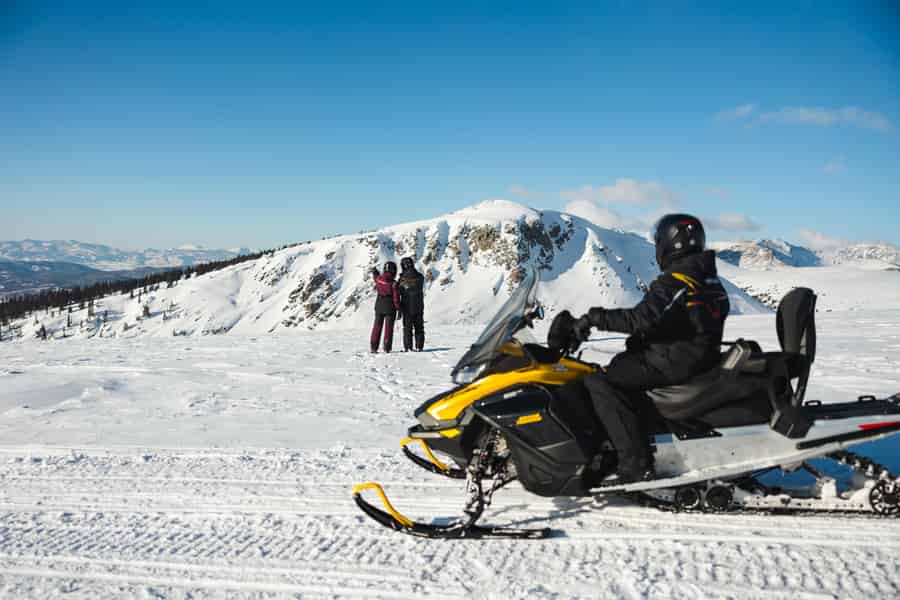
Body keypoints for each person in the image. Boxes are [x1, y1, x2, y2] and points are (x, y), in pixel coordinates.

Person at [570, 214, 730, 484]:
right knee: (618, 369)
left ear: (670, 244)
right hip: (692, 356)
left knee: (600, 382)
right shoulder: (706, 277)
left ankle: (635, 465)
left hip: (674, 361)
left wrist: (593, 318)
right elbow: (678, 321)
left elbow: (641, 318)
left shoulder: (678, 280)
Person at [370, 261, 400, 353]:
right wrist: (398, 308)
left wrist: (375, 272)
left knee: (377, 327)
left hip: (379, 305)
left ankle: (374, 347)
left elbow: (375, 277)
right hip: (390, 307)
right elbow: (396, 298)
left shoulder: (379, 279)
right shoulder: (393, 283)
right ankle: (387, 347)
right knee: (388, 329)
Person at [397, 257, 426, 351]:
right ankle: (419, 346)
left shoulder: (402, 280)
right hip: (419, 306)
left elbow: (399, 291)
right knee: (419, 327)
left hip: (407, 307)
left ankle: (408, 347)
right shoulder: (420, 277)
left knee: (407, 329)